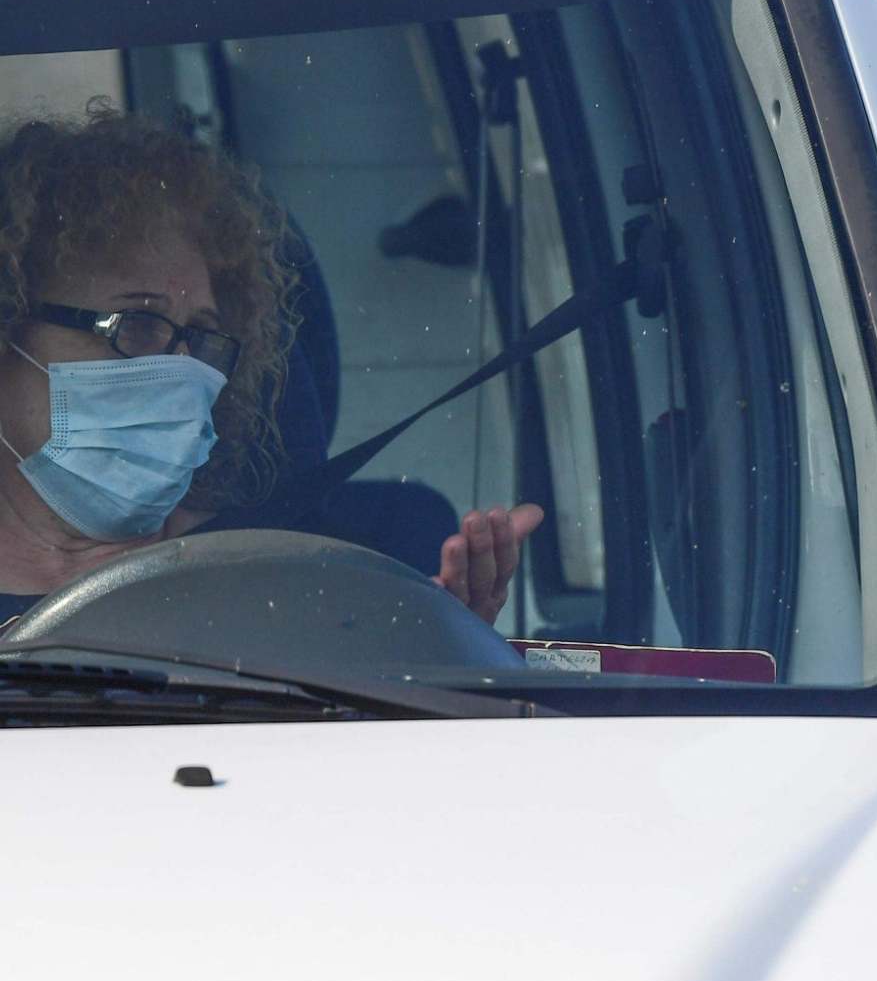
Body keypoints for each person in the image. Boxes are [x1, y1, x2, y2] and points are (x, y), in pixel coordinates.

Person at [0, 107, 539, 624]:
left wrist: (439, 647)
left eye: (205, 337)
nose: (183, 368)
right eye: (139, 324)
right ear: (11, 325)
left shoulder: (297, 573)